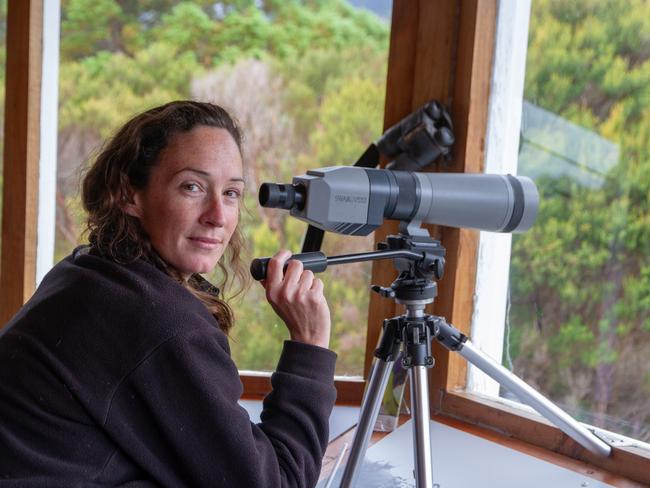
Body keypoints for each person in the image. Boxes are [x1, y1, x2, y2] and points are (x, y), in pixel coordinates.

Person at [0, 101, 336, 487]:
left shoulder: (89, 271)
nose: (218, 215)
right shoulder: (154, 320)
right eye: (192, 187)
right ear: (130, 195)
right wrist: (309, 346)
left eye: (231, 193)